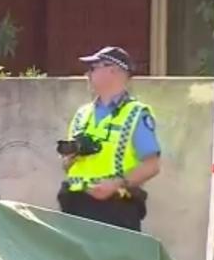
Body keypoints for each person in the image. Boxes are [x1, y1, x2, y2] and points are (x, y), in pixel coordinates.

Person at [56, 46, 162, 232]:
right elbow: (67, 166)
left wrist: (115, 184)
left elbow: (151, 166)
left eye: (93, 68)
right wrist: (70, 158)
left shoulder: (136, 113)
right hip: (75, 205)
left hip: (115, 209)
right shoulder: (83, 113)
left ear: (112, 70)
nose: (87, 74)